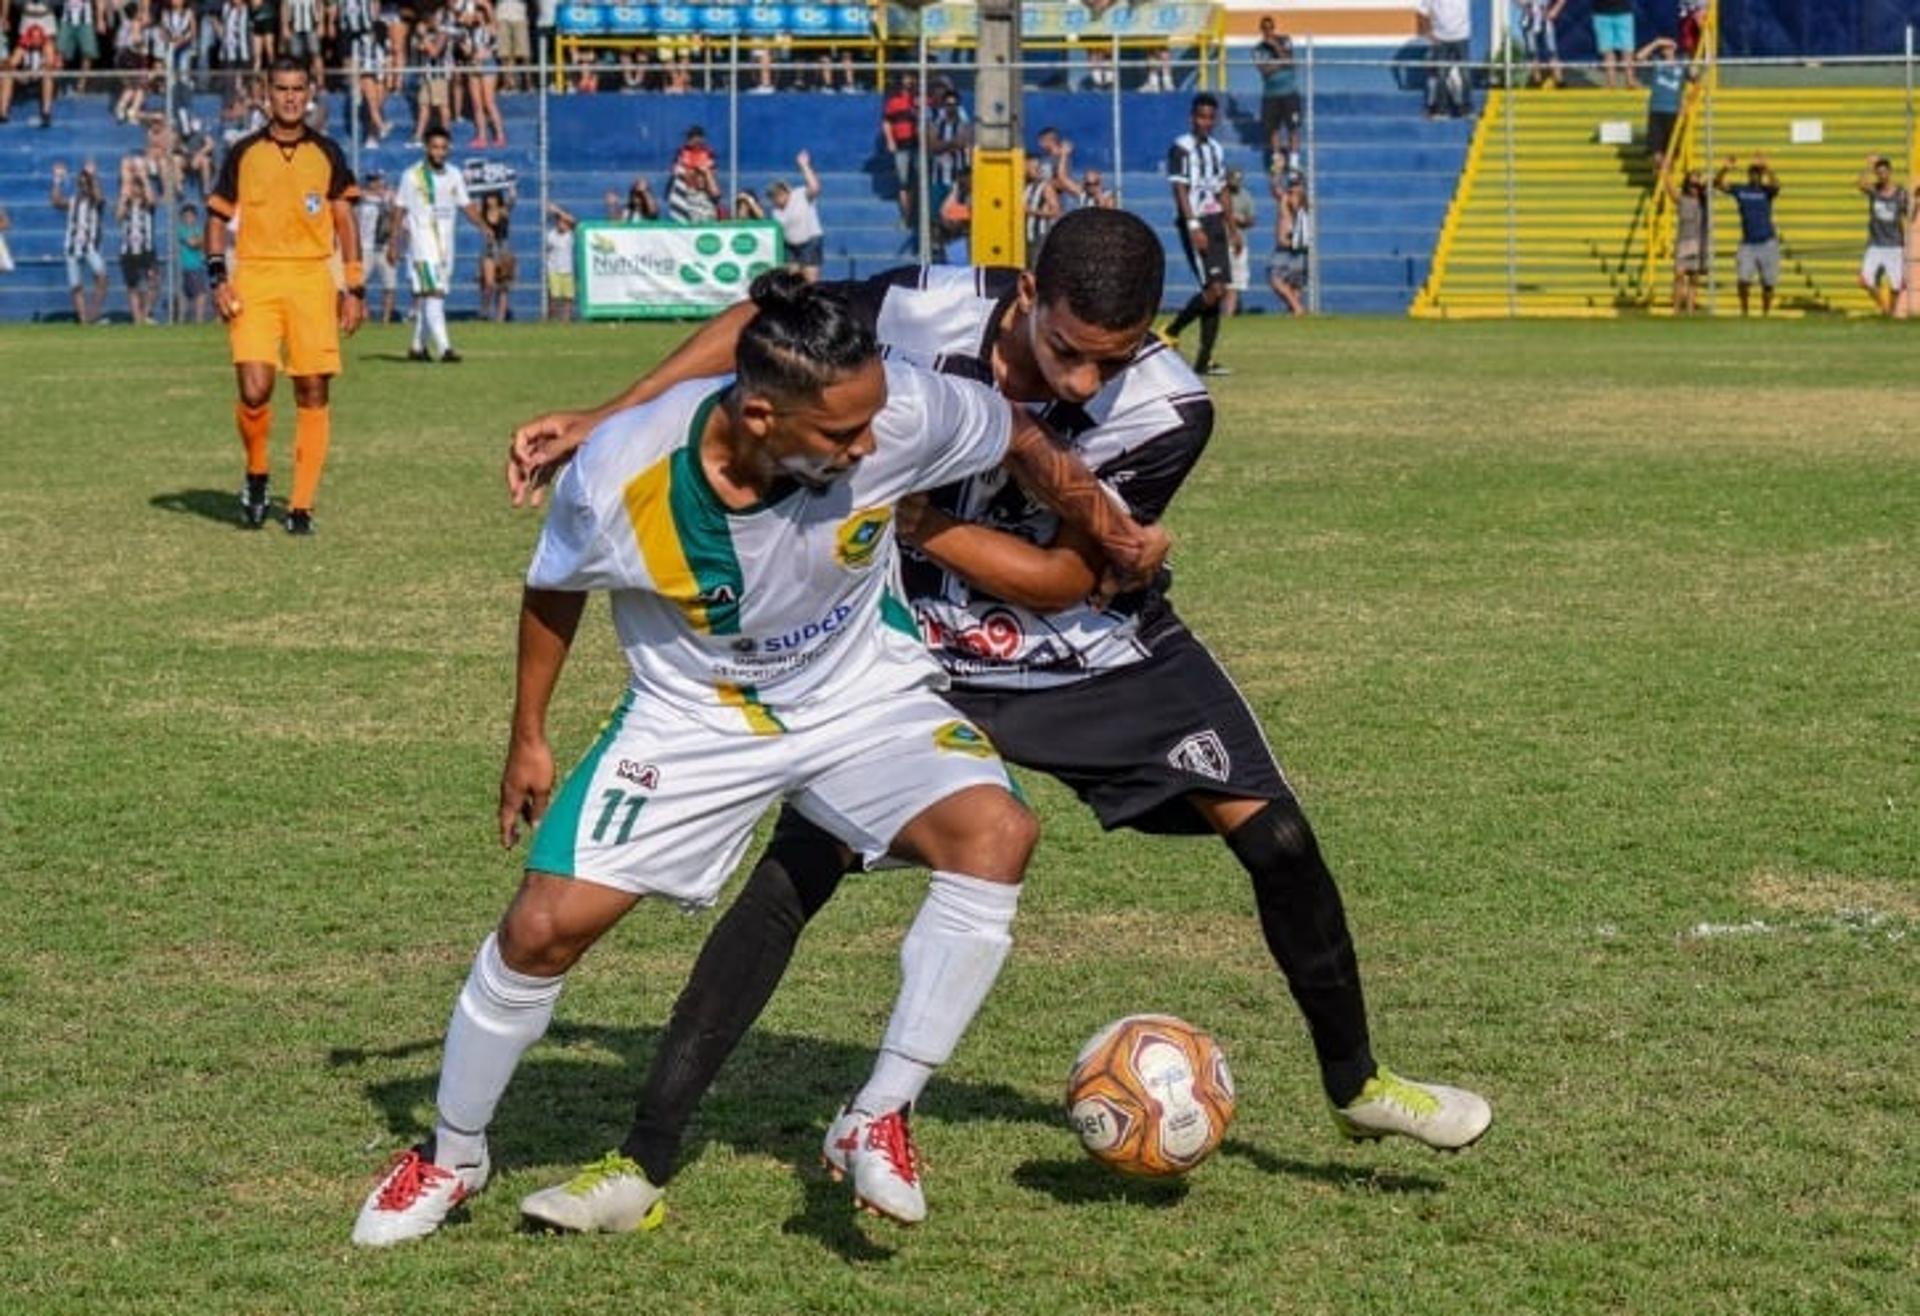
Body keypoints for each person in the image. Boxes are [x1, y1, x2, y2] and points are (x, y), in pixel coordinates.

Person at [499, 210, 1493, 1233]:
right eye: (1064, 351)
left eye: (1109, 362)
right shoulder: (923, 308)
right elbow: (766, 316)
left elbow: (1065, 578)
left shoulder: (1169, 408)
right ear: (1025, 297)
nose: (1079, 385)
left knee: (1278, 835)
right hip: (910, 641)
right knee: (798, 871)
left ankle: (1359, 1084)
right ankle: (641, 1160)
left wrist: (920, 518)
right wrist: (607, 413)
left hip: (1093, 647)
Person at [348, 269, 1167, 1247]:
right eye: (839, 436)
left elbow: (1009, 430)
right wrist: (529, 732)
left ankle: (878, 1112)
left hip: (861, 694)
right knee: (540, 927)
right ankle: (451, 1153)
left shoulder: (889, 411)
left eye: (870, 425)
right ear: (761, 412)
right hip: (698, 717)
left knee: (997, 833)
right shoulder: (624, 474)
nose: (868, 447)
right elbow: (555, 586)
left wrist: (1102, 519)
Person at [206, 55, 364, 534]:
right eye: (281, 89)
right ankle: (257, 475)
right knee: (254, 389)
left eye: (298, 88)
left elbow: (344, 220)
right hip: (255, 277)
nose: (290, 97)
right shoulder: (243, 152)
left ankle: (300, 507)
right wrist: (219, 277)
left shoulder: (328, 153)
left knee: (312, 388)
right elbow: (216, 218)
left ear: (309, 92)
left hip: (312, 280)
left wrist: (353, 285)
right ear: (266, 93)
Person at [389, 126, 485, 362]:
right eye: (435, 147)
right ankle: (445, 349)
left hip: (445, 247)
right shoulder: (412, 176)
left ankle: (417, 348)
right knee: (434, 295)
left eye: (443, 148)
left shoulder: (454, 175)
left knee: (428, 298)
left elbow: (466, 205)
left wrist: (483, 226)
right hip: (422, 245)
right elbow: (399, 210)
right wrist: (394, 242)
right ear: (426, 148)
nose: (439, 152)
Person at [1159, 92, 1231, 376]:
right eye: (1201, 116)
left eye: (1211, 117)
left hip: (1216, 221)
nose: (1206, 122)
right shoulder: (1181, 148)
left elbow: (1222, 188)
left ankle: (1204, 361)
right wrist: (1193, 226)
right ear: (1193, 118)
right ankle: (1170, 330)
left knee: (1218, 291)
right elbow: (1179, 188)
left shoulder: (1216, 149)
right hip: (1196, 222)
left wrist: (1232, 228)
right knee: (1214, 289)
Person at [1715, 154, 1780, 317]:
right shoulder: (1742, 190)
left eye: (1758, 173)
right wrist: (1725, 169)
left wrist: (1768, 168)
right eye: (1753, 173)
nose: (1755, 176)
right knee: (1743, 279)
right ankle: (1744, 311)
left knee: (1768, 283)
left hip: (1767, 242)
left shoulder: (1766, 191)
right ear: (1749, 175)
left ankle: (1766, 313)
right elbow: (1718, 184)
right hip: (1748, 243)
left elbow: (1777, 186)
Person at [1856, 155, 1908, 317]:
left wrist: (1905, 243)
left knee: (1896, 285)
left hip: (1894, 245)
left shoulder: (1900, 194)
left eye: (1884, 172)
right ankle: (1885, 308)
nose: (1882, 176)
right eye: (1878, 173)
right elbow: (1860, 184)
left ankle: (1891, 313)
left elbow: (1905, 216)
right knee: (1864, 280)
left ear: (1890, 172)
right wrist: (1867, 166)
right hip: (1875, 244)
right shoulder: (1874, 191)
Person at [766, 149, 824, 283]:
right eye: (773, 196)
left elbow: (815, 187)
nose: (776, 198)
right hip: (791, 246)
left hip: (809, 241)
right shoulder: (775, 211)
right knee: (792, 280)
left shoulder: (800, 195)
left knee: (810, 280)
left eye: (778, 194)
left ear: (786, 191)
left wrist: (804, 166)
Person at [351, 170, 399, 324]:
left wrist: (394, 244)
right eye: (371, 180)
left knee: (389, 284)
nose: (375, 183)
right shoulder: (361, 197)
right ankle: (361, 314)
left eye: (377, 179)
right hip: (366, 245)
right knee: (359, 283)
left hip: (384, 245)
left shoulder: (390, 196)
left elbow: (396, 218)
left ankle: (386, 320)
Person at [1252, 17, 1299, 168]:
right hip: (1270, 95)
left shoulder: (1284, 41)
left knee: (1293, 127)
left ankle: (1293, 161)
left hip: (1289, 92)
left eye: (1270, 28)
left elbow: (1290, 62)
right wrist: (1281, 63)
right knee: (1273, 128)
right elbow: (1263, 70)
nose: (1268, 31)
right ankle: (1276, 158)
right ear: (1261, 30)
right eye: (1265, 28)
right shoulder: (1257, 49)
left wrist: (1276, 48)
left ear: (1274, 28)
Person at [117, 167, 161, 325]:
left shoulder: (147, 206)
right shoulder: (126, 204)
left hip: (147, 249)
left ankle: (145, 312)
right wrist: (124, 192)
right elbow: (118, 216)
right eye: (134, 186)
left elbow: (152, 199)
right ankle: (137, 319)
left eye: (138, 186)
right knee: (132, 286)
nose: (136, 189)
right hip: (128, 251)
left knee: (153, 281)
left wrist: (144, 178)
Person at [1417, 0, 1471, 119]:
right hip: (1441, 38)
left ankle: (1467, 109)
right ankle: (1442, 110)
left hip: (1461, 36)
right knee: (1441, 75)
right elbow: (1421, 11)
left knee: (1465, 75)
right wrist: (1427, 33)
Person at [1665, 168, 1708, 315]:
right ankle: (1676, 310)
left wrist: (1701, 182)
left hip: (1697, 243)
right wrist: (1666, 173)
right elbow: (1671, 192)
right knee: (1679, 275)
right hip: (1683, 242)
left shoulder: (1704, 201)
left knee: (1694, 278)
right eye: (1691, 185)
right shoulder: (1683, 199)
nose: (1694, 188)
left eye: (1696, 186)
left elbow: (1712, 184)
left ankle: (1690, 311)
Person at [1640, 38, 1685, 176]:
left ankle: (1666, 179)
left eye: (1669, 47)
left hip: (1673, 111)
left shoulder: (1683, 63)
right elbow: (1639, 57)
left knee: (1671, 149)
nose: (1666, 50)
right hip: (1656, 109)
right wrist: (1656, 43)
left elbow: (1696, 78)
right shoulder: (1657, 62)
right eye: (1664, 48)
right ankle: (1662, 175)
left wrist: (1685, 103)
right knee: (1656, 150)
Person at [1269, 169, 1311, 316]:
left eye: (1296, 183)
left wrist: (1295, 193)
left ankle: (1297, 309)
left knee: (1278, 280)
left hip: (1292, 246)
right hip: (1285, 247)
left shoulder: (1299, 198)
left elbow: (1295, 207)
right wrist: (1276, 173)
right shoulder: (1286, 196)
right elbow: (1274, 189)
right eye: (1291, 183)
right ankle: (1295, 311)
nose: (1292, 186)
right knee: (1291, 284)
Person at [1, 22, 59, 128]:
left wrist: (41, 71)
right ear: (29, 37)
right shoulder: (23, 45)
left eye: (38, 37)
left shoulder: (47, 45)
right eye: (34, 37)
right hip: (25, 77)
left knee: (48, 77)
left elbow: (50, 65)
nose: (36, 40)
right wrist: (18, 74)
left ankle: (46, 113)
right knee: (7, 77)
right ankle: (3, 113)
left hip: (40, 76)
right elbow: (11, 64)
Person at [881, 72, 919, 226]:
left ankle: (914, 216)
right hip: (901, 145)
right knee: (903, 183)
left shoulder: (920, 99)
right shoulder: (893, 101)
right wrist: (890, 141)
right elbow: (887, 122)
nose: (908, 80)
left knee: (917, 181)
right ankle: (906, 217)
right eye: (906, 77)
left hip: (918, 145)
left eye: (911, 77)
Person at [666, 125, 719, 224]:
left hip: (702, 190)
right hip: (685, 190)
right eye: (690, 137)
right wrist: (689, 172)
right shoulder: (681, 152)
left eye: (696, 137)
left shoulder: (708, 153)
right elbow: (676, 170)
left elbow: (712, 171)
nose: (692, 140)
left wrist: (702, 172)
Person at [1223, 166, 1255, 318]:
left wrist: (1243, 220)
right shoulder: (1220, 195)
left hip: (1238, 242)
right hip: (1220, 242)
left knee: (1235, 283)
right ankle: (1218, 314)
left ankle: (1228, 315)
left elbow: (1252, 219)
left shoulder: (1245, 196)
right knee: (1219, 283)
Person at [479, 188, 515, 322]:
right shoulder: (482, 213)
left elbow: (512, 200)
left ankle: (500, 317)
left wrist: (511, 188)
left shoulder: (503, 211)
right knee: (489, 284)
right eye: (488, 198)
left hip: (504, 249)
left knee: (503, 286)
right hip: (489, 249)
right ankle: (485, 311)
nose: (490, 201)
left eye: (493, 197)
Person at [1021, 154, 1059, 268]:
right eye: (1030, 167)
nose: (1032, 170)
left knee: (1036, 266)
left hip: (1039, 235)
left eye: (1035, 168)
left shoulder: (1045, 187)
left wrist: (1031, 211)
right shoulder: (1026, 186)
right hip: (1026, 235)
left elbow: (1056, 211)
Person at [1515, 0, 1563, 88]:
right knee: (1532, 53)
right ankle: (1537, 82)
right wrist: (1524, 6)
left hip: (1546, 22)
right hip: (1528, 23)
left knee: (1552, 51)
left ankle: (1559, 82)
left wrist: (1555, 10)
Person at [1591, 0, 1637, 90]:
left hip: (1623, 12)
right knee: (1607, 49)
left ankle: (1630, 81)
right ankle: (1611, 83)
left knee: (1627, 49)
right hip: (1601, 13)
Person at [177, 201, 210, 322]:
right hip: (190, 267)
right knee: (201, 295)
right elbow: (193, 243)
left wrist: (200, 241)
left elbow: (204, 242)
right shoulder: (181, 230)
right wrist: (200, 240)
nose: (188, 219)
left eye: (191, 216)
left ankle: (182, 321)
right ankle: (199, 320)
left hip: (199, 266)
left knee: (187, 295)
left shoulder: (198, 229)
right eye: (185, 216)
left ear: (195, 217)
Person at [543, 202, 576, 321]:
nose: (562, 224)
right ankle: (551, 319)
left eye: (565, 222)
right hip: (554, 271)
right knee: (554, 297)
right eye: (560, 221)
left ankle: (565, 321)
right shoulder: (551, 235)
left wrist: (557, 210)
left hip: (567, 271)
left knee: (568, 298)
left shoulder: (570, 235)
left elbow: (574, 222)